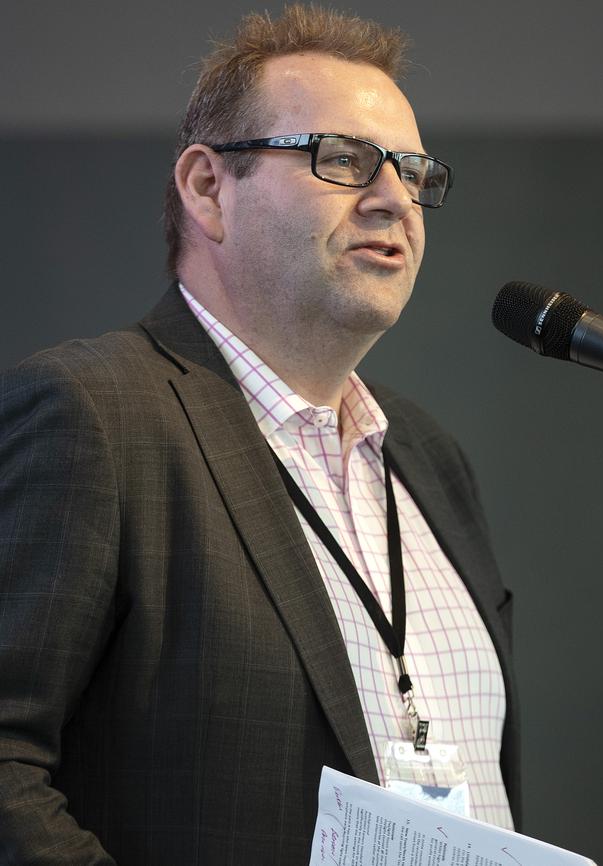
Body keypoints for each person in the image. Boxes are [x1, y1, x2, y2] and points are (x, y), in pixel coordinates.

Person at [0, 6, 519, 864]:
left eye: (414, 170)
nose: (395, 196)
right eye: (344, 159)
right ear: (208, 188)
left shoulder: (430, 458)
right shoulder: (91, 414)